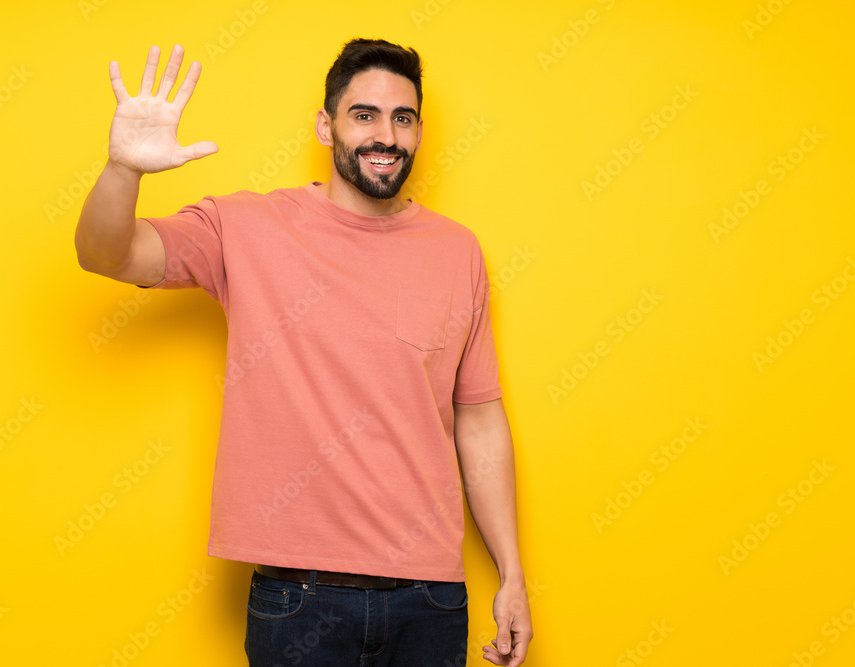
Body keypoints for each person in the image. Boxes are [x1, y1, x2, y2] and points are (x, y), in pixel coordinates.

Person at [75, 38, 532, 666]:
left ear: (420, 132)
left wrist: (512, 575)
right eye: (364, 114)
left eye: (402, 118)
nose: (385, 136)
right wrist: (123, 168)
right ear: (326, 125)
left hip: (433, 601)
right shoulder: (246, 227)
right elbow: (107, 254)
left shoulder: (458, 252)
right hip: (299, 601)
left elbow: (479, 420)